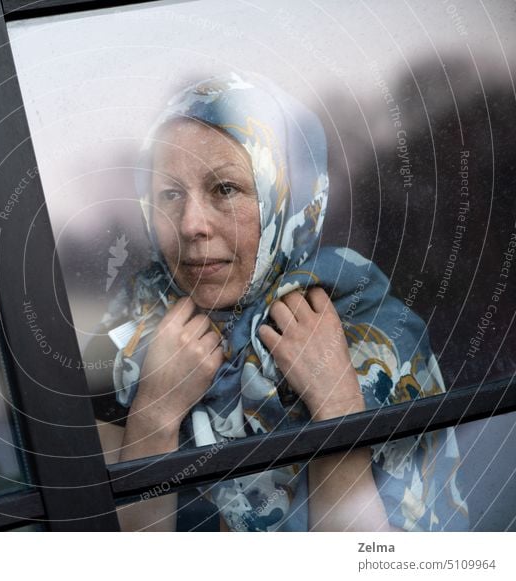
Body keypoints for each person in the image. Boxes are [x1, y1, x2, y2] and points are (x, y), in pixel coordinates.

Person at [92, 72, 468, 532]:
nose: (190, 224)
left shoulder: (373, 336)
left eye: (224, 189)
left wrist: (337, 407)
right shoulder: (126, 342)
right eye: (170, 194)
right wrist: (154, 414)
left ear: (290, 198)